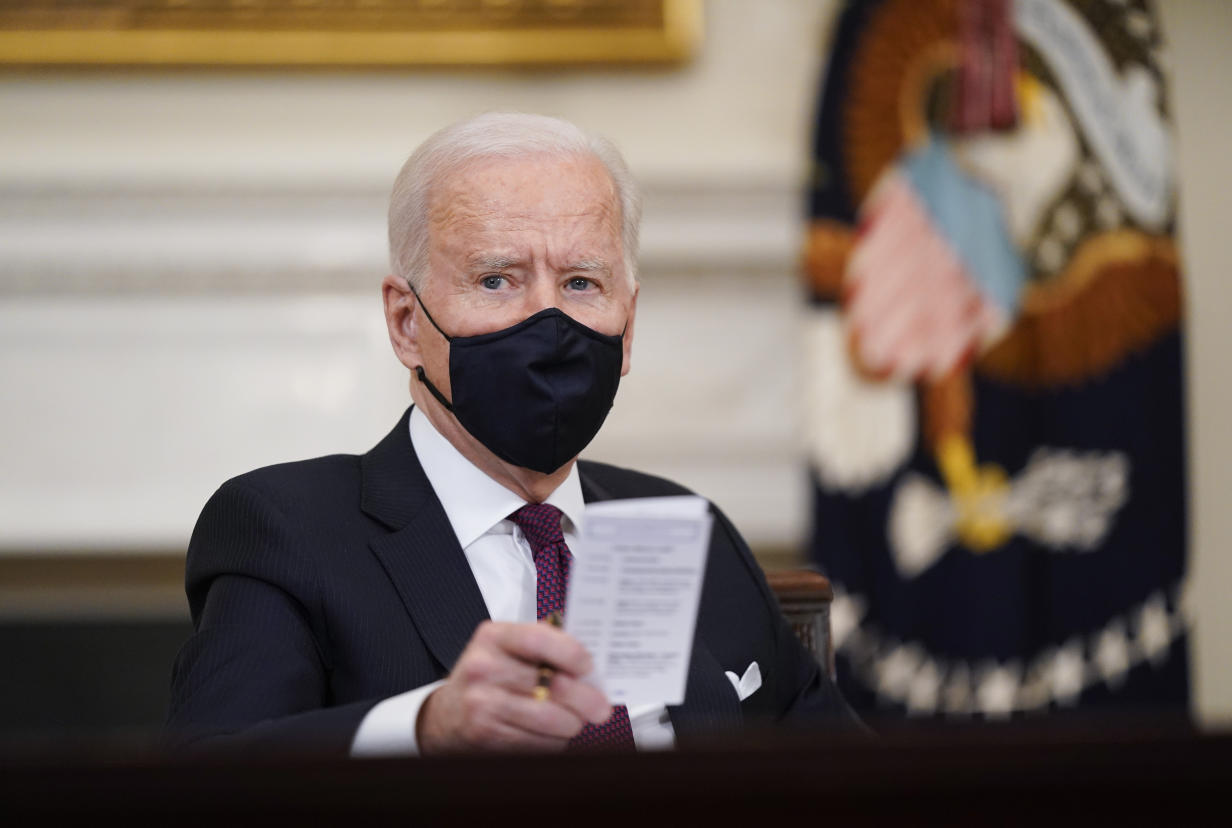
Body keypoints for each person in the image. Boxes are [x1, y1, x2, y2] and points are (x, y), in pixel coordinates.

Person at [167, 112, 856, 755]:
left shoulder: (684, 529)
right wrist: (427, 727)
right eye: (497, 280)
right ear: (407, 322)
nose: (548, 321)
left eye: (582, 282)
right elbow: (208, 779)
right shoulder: (287, 530)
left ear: (629, 326)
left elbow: (859, 786)